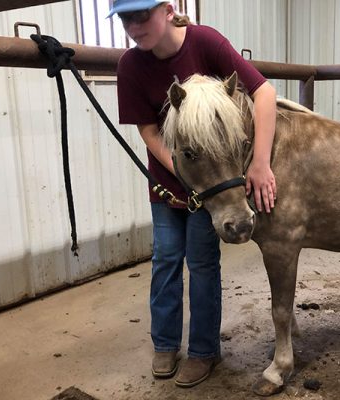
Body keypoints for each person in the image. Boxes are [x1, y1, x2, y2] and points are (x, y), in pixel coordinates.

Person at [108, 0, 277, 388]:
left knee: (202, 264)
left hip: (214, 186)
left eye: (141, 16)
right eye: (125, 19)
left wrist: (259, 163)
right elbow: (149, 130)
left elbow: (264, 92)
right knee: (166, 260)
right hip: (171, 182)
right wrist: (181, 173)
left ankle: (203, 351)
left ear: (167, 10)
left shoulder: (206, 42)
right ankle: (165, 343)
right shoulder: (130, 66)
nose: (133, 27)